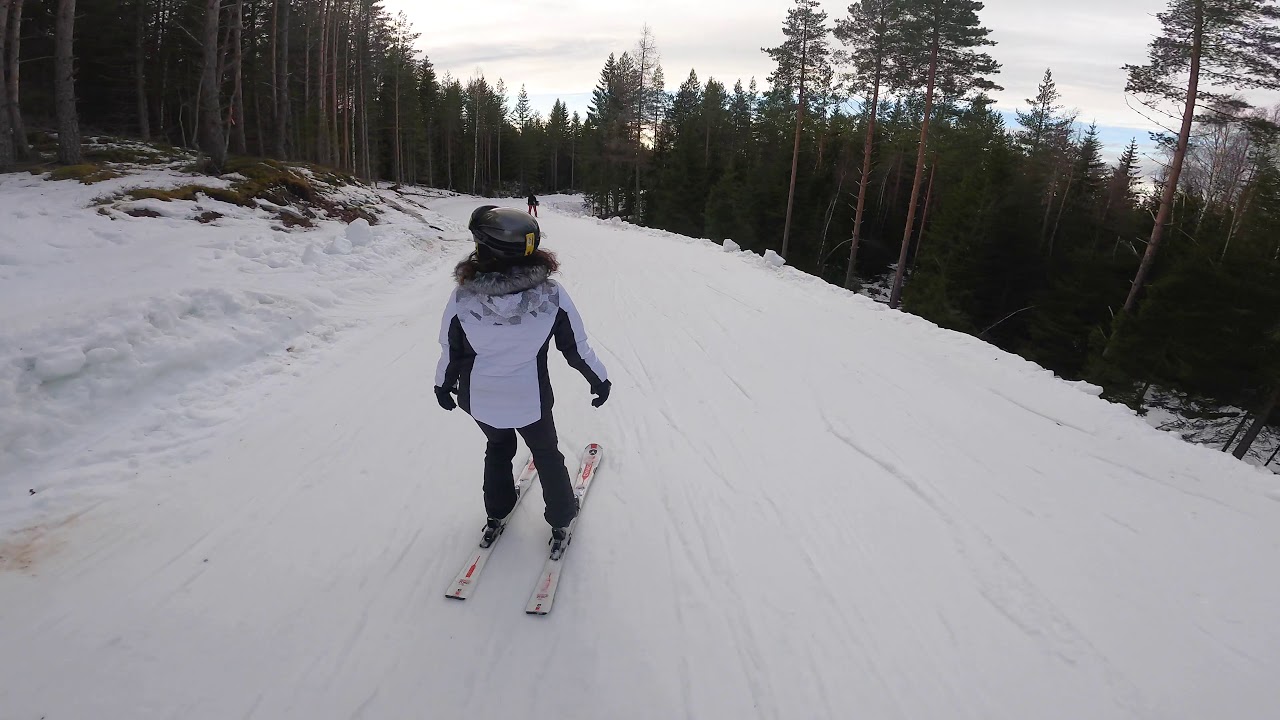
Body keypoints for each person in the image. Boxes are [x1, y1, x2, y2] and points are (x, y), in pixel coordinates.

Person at [434, 205, 610, 550]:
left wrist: (442, 386)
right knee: (545, 452)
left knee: (498, 447)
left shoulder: (462, 299)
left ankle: (497, 510)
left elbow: (450, 352)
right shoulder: (551, 296)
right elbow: (577, 347)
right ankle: (560, 519)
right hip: (530, 401)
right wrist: (598, 379)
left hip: (479, 399)